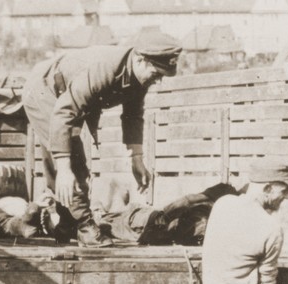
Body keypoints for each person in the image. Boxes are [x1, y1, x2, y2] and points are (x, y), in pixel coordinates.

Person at [21, 32, 183, 245]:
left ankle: (67, 224)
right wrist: (64, 167)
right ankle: (85, 227)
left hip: (63, 97)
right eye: (156, 72)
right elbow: (63, 113)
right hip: (43, 90)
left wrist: (137, 158)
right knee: (70, 159)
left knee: (63, 159)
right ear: (140, 59)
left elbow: (133, 115)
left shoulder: (138, 76)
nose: (157, 80)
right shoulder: (105, 68)